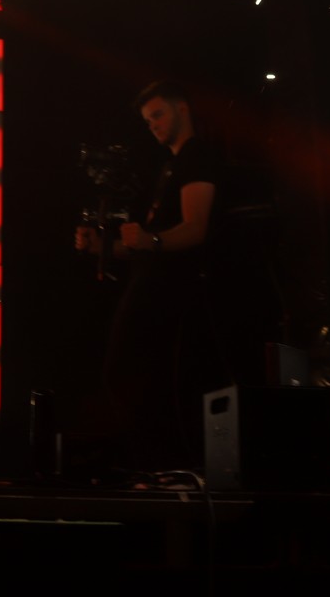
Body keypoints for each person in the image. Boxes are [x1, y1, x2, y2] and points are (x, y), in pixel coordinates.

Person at [77, 80, 222, 470]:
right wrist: (100, 247)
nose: (153, 124)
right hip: (151, 285)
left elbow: (195, 228)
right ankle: (157, 467)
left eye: (158, 114)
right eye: (147, 120)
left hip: (168, 291)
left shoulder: (196, 156)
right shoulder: (170, 167)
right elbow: (146, 242)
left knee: (134, 375)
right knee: (131, 376)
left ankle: (165, 467)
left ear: (182, 109)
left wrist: (150, 239)